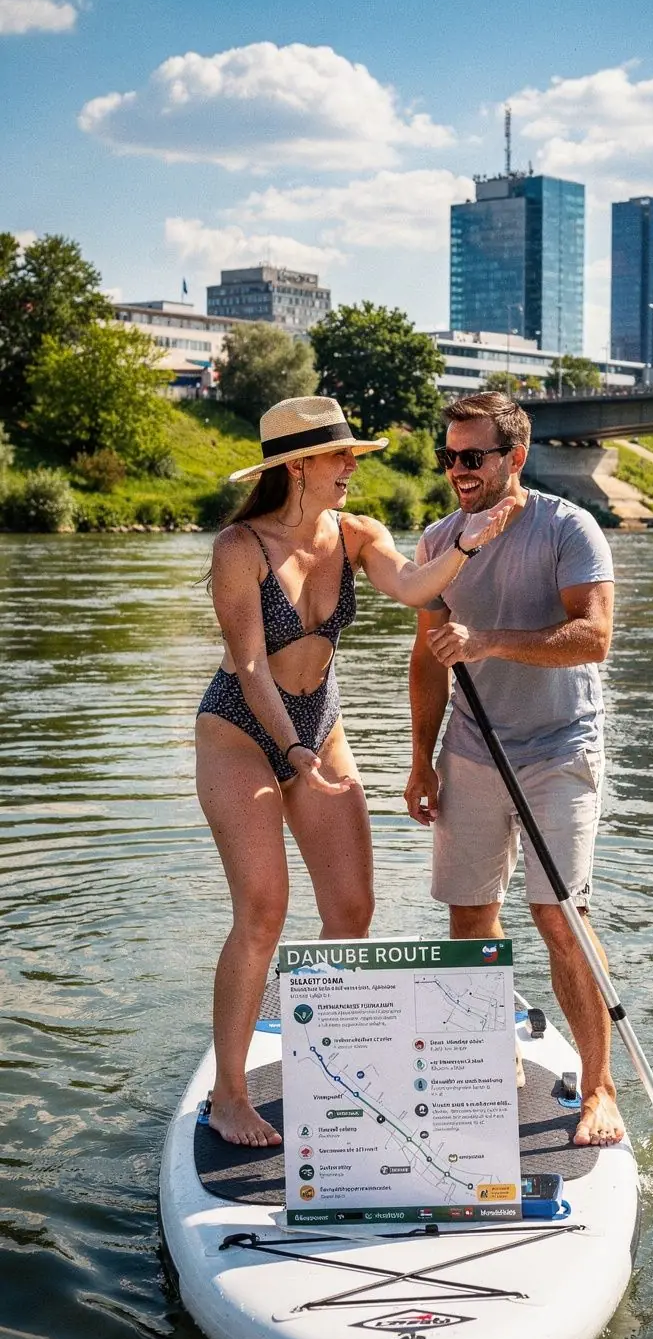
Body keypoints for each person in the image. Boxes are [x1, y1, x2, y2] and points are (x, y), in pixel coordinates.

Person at [196, 395, 512, 1147]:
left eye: (352, 456)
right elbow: (249, 665)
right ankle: (230, 1095)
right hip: (241, 728)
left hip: (321, 722)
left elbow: (413, 587)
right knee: (263, 910)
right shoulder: (240, 547)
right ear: (298, 466)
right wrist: (291, 750)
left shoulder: (358, 533)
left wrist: (466, 549)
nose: (351, 467)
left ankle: (335, 1066)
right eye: (340, 456)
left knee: (352, 910)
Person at [403, 391, 624, 1147]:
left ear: (515, 458)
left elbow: (594, 637)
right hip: (472, 747)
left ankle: (599, 1088)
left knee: (559, 915)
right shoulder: (439, 541)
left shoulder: (568, 528)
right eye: (448, 455)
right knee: (469, 913)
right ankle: (484, 1057)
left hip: (561, 746)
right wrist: (421, 761)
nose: (457, 469)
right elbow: (427, 660)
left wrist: (489, 640)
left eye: (473, 456)